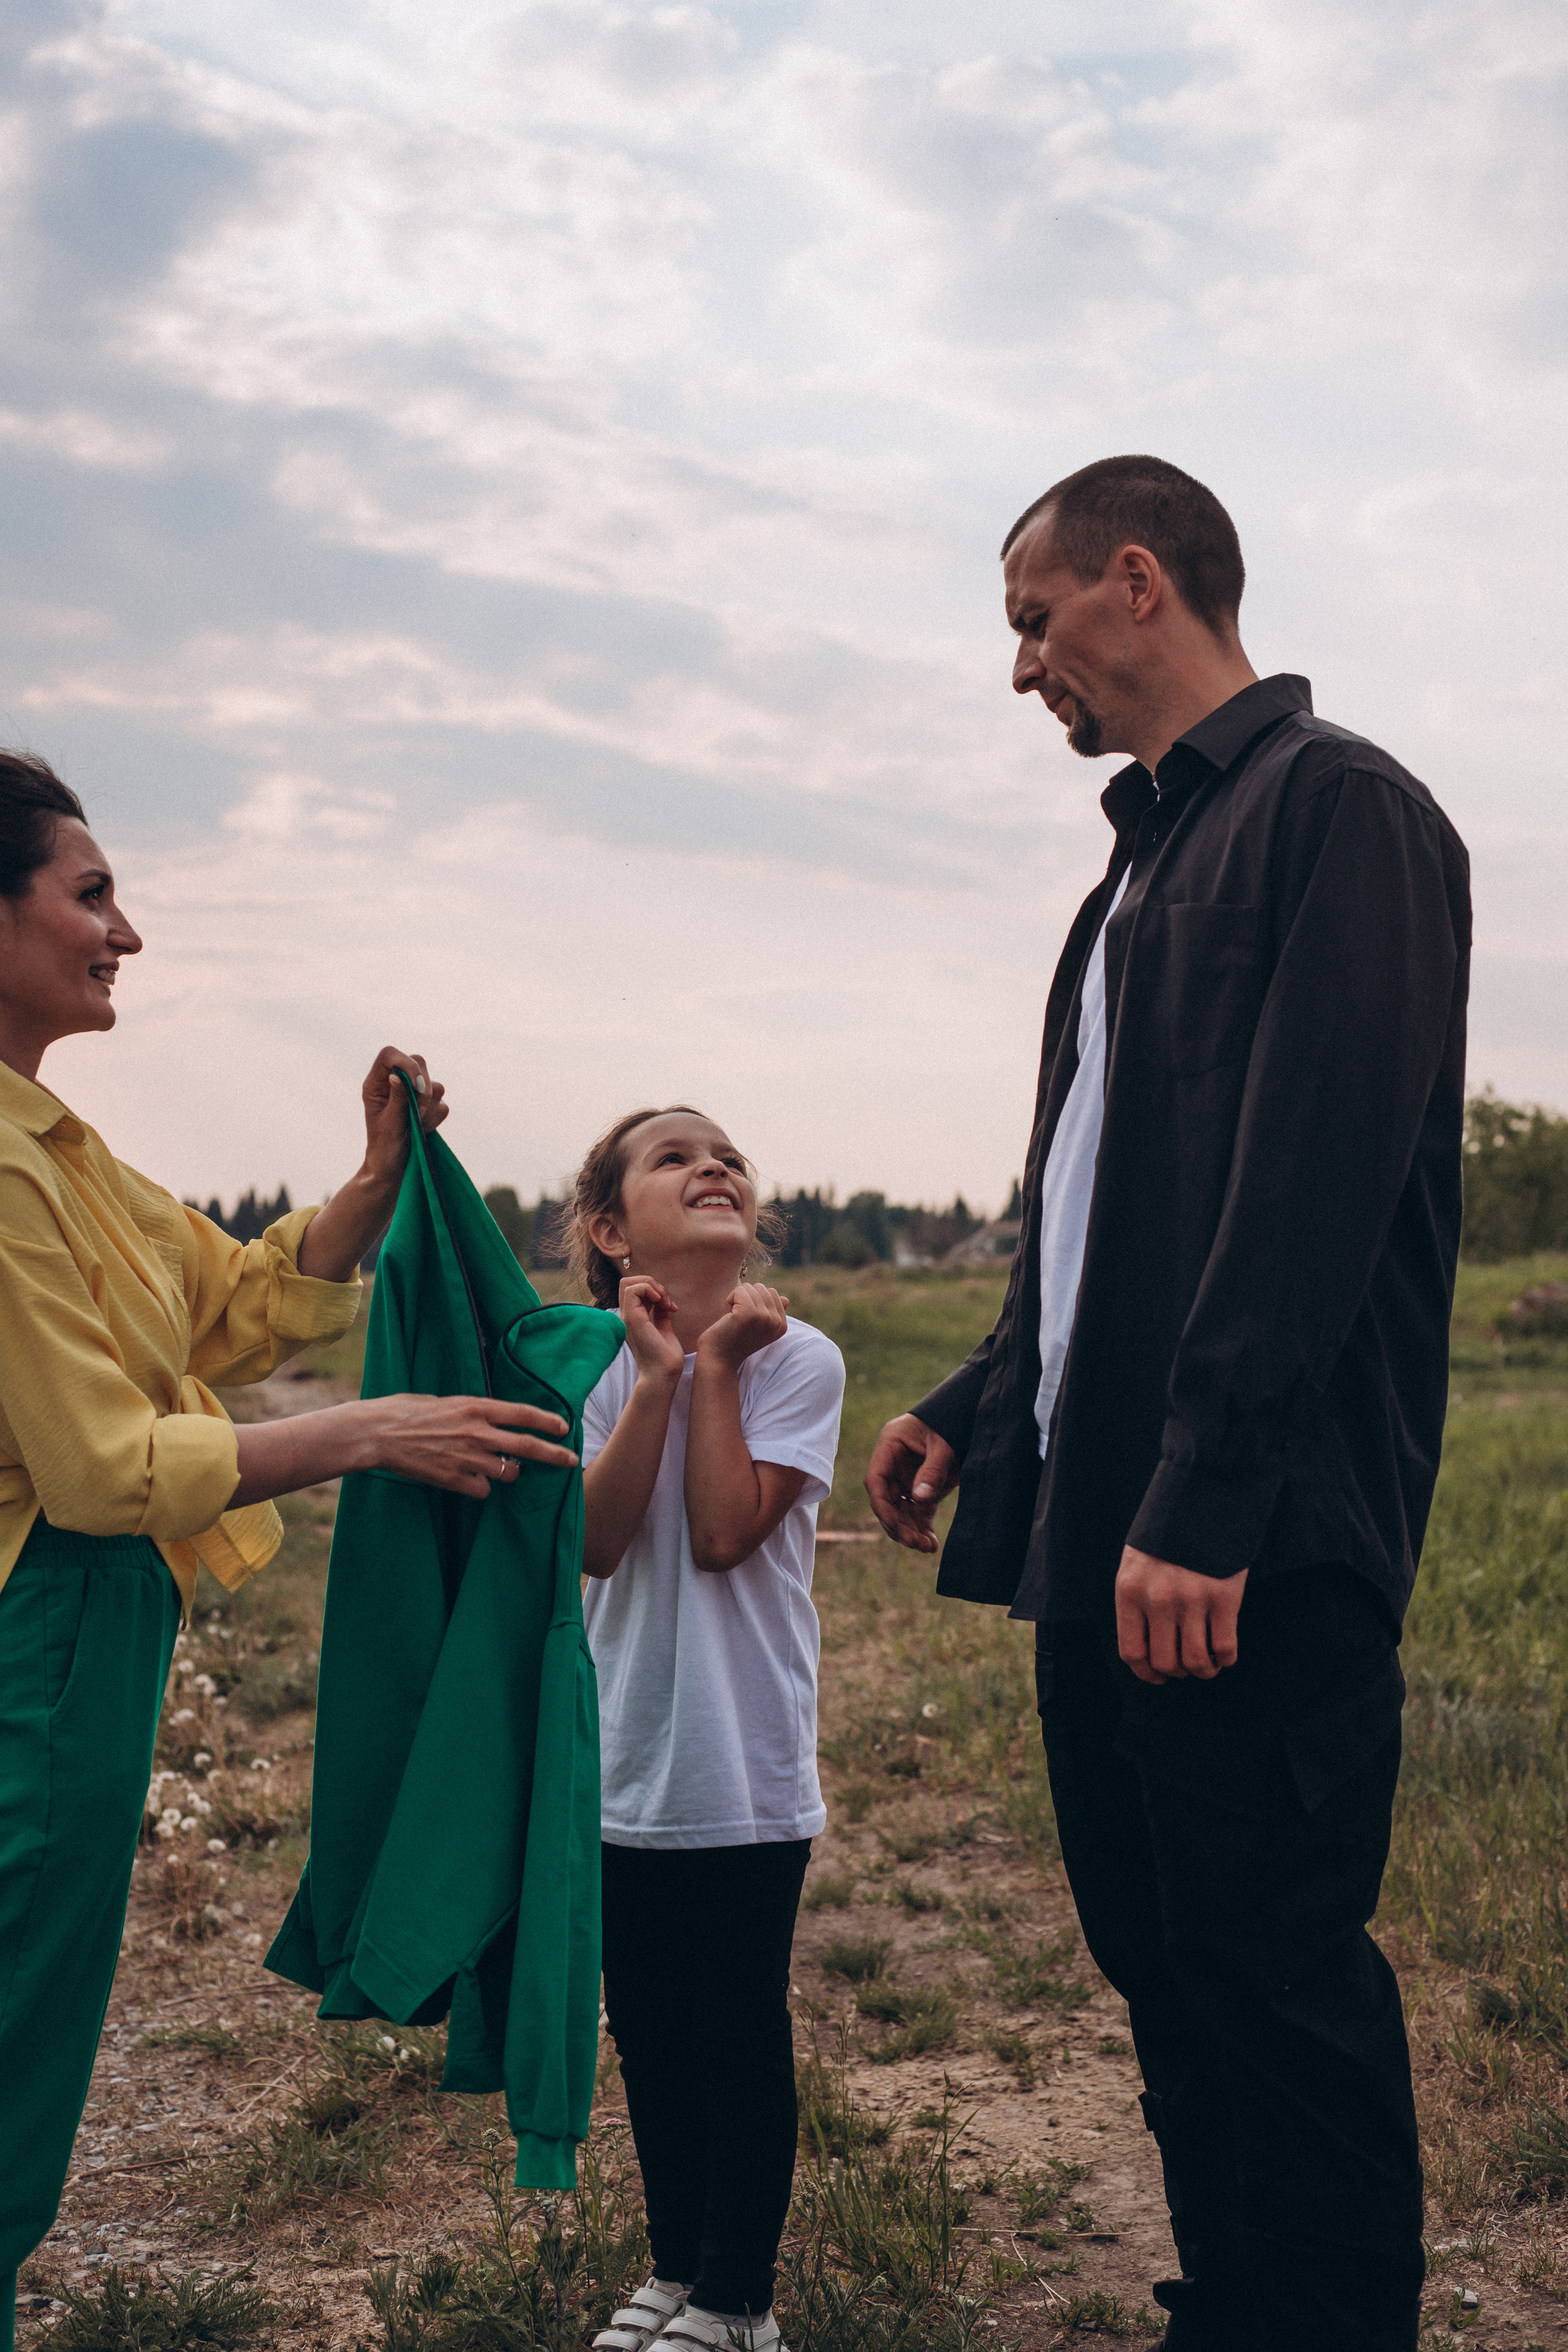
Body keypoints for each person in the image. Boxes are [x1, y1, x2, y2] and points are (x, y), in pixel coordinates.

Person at [864, 458, 1470, 2352]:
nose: (1022, 666)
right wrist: (981, 1396)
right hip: (1099, 1529)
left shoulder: (1341, 814)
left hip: (1244, 1545)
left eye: (1034, 621)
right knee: (1164, 1966)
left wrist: (1204, 1502)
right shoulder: (1131, 873)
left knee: (1271, 1975)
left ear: (1139, 584)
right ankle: (1241, 2310)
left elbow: (1312, 1184)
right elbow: (1097, 1190)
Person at [0, 752, 580, 2348]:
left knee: (35, 2035)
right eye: (92, 893)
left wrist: (381, 1178)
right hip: (35, 1629)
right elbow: (101, 1465)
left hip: (91, 1621)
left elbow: (242, 1301)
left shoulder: (65, 1158)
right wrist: (374, 1434)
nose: (127, 933)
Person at [569, 1107, 845, 2352]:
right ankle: (675, 2266)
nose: (713, 1166)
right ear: (610, 1229)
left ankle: (740, 2302)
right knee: (648, 2025)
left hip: (740, 1757)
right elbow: (594, 1539)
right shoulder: (584, 1368)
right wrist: (662, 1377)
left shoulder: (799, 1362)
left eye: (726, 1153)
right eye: (673, 1157)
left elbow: (727, 1533)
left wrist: (720, 1369)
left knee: (734, 2022)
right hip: (618, 1751)